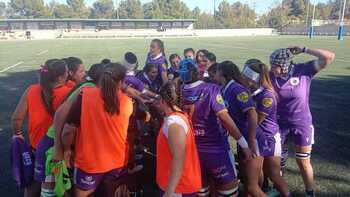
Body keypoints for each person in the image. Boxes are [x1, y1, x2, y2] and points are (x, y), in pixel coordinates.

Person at [178, 59, 252, 197]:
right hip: (216, 151)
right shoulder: (210, 89)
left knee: (202, 192)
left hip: (193, 153)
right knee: (229, 193)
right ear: (196, 72)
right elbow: (225, 119)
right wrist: (244, 144)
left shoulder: (178, 92)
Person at [269, 47, 335, 197]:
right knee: (279, 162)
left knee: (303, 162)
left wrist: (304, 49)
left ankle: (310, 193)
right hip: (279, 125)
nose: (272, 69)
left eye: (275, 66)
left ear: (285, 64)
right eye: (271, 65)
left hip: (302, 123)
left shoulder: (304, 70)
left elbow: (329, 57)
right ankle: (278, 188)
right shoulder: (270, 75)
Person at [61, 63, 133, 197]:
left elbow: (68, 130)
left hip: (89, 163)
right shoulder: (127, 102)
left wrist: (66, 149)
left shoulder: (85, 96)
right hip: (117, 161)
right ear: (121, 82)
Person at [11, 59, 71, 197]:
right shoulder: (70, 93)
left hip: (35, 148)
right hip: (58, 151)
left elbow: (16, 119)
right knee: (62, 188)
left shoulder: (31, 90)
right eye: (67, 72)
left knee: (32, 187)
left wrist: (18, 135)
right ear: (61, 77)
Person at [215, 61, 266, 197]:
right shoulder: (225, 88)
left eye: (217, 71)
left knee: (251, 187)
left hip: (253, 139)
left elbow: (252, 113)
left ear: (222, 73)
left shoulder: (236, 89)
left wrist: (250, 139)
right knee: (249, 183)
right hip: (244, 139)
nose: (215, 74)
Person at [241, 59, 292, 197]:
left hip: (269, 138)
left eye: (244, 77)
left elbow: (255, 121)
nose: (241, 79)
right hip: (259, 137)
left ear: (252, 79)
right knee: (256, 175)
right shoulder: (251, 91)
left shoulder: (266, 96)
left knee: (274, 175)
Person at [156, 82, 201, 197]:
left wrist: (170, 192)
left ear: (162, 100)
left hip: (178, 188)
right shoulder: (180, 116)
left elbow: (179, 158)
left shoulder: (173, 123)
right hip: (179, 186)